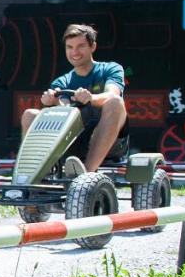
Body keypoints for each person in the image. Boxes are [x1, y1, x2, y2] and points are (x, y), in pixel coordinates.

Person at [20, 23, 127, 174]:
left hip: (112, 142)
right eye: (69, 47)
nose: (74, 52)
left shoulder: (110, 69)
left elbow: (113, 94)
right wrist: (53, 101)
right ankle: (36, 176)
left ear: (93, 47)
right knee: (30, 115)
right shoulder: (61, 81)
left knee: (115, 103)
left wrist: (91, 98)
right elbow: (65, 107)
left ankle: (87, 173)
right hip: (76, 139)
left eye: (80, 46)